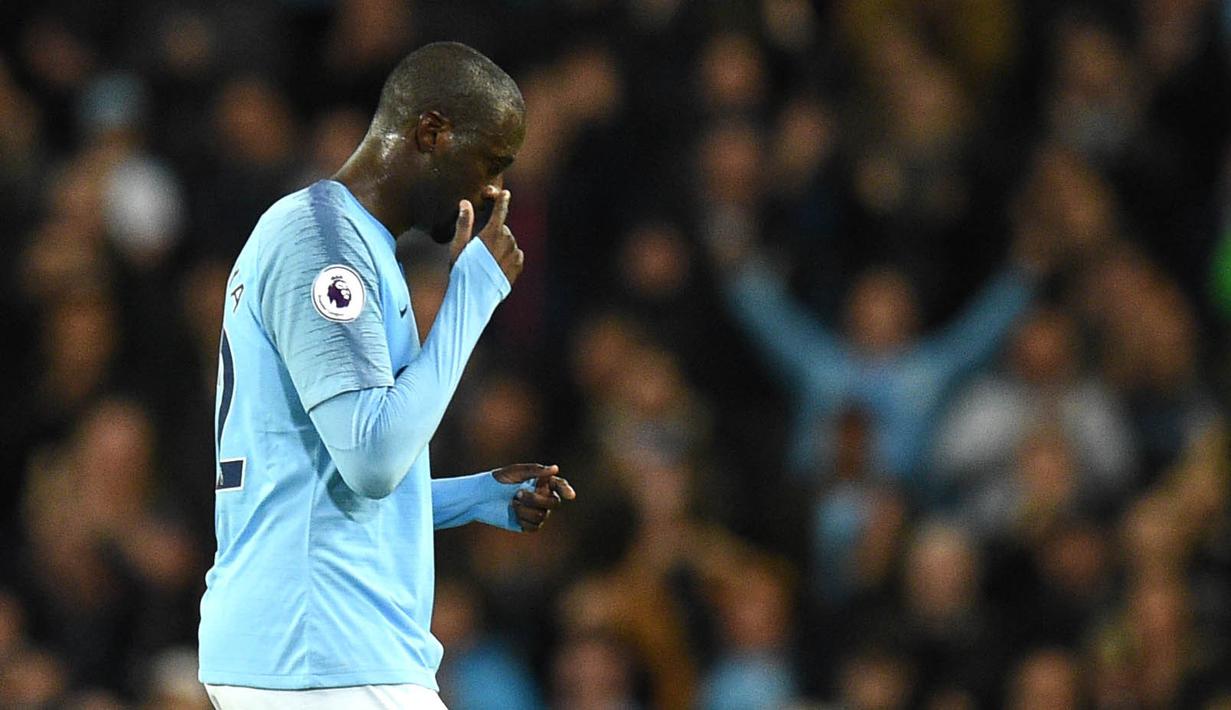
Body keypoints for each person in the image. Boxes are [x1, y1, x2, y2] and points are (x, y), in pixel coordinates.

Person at [197, 42, 575, 709]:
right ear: (430, 132)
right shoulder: (322, 247)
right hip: (321, 648)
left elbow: (325, 482)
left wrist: (476, 497)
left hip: (310, 644)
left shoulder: (351, 247)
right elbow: (372, 458)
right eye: (492, 161)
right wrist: (473, 294)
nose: (493, 192)